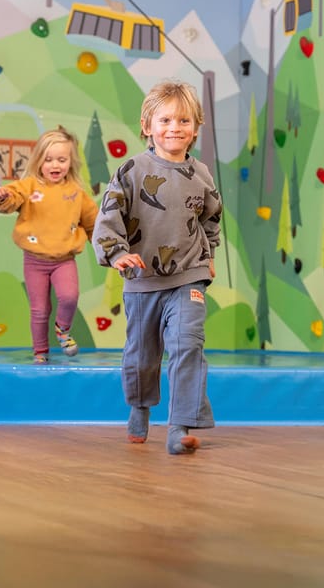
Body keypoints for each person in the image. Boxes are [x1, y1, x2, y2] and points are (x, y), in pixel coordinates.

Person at [92, 80, 222, 455]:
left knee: (188, 344)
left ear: (195, 128)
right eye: (165, 120)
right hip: (142, 279)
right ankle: (139, 405)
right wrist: (117, 254)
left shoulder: (202, 174)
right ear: (147, 126)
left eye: (183, 120)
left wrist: (208, 255)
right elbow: (109, 217)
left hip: (189, 275)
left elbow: (211, 219)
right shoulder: (131, 170)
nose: (174, 128)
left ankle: (180, 425)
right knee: (142, 353)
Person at [0, 127, 98, 364]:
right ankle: (40, 353)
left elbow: (93, 225)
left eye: (62, 159)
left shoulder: (76, 193)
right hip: (35, 261)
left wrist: (107, 250)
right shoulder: (29, 186)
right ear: (39, 160)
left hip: (64, 260)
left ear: (71, 162)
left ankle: (63, 330)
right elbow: (10, 198)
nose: (55, 165)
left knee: (69, 297)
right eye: (48, 160)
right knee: (39, 310)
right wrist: (2, 197)